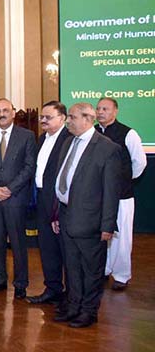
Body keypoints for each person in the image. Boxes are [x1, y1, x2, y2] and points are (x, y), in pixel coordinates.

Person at [52, 102, 121, 328]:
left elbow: (112, 192)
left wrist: (107, 226)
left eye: (71, 117)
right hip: (65, 216)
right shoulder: (68, 143)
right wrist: (55, 214)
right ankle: (73, 306)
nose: (68, 121)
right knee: (71, 267)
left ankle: (89, 311)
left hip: (91, 222)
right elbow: (62, 180)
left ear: (87, 118)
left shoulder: (107, 148)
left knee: (92, 270)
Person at [0, 98, 36, 298]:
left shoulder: (27, 136)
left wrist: (10, 189)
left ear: (13, 113)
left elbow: (29, 167)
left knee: (18, 243)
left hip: (15, 198)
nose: (1, 114)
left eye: (5, 110)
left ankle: (20, 284)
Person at [95, 97, 146, 291]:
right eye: (98, 108)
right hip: (99, 196)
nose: (101, 112)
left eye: (105, 109)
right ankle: (105, 270)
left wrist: (122, 181)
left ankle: (122, 275)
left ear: (115, 111)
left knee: (121, 236)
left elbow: (139, 162)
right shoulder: (93, 132)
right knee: (101, 234)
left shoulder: (128, 133)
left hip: (122, 195)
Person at [27, 101, 71, 305]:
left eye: (48, 117)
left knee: (66, 248)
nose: (43, 120)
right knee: (47, 246)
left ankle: (71, 294)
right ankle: (52, 288)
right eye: (42, 117)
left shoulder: (69, 139)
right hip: (42, 198)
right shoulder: (42, 138)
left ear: (62, 118)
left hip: (61, 201)